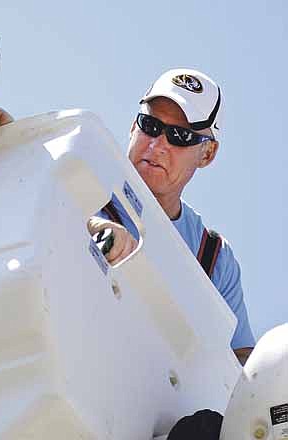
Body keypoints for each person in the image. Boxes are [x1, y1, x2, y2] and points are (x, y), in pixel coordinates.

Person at [87, 68, 254, 365]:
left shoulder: (214, 258)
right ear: (132, 126)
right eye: (150, 125)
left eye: (180, 136)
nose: (158, 144)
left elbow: (244, 363)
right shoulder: (78, 178)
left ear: (208, 154)